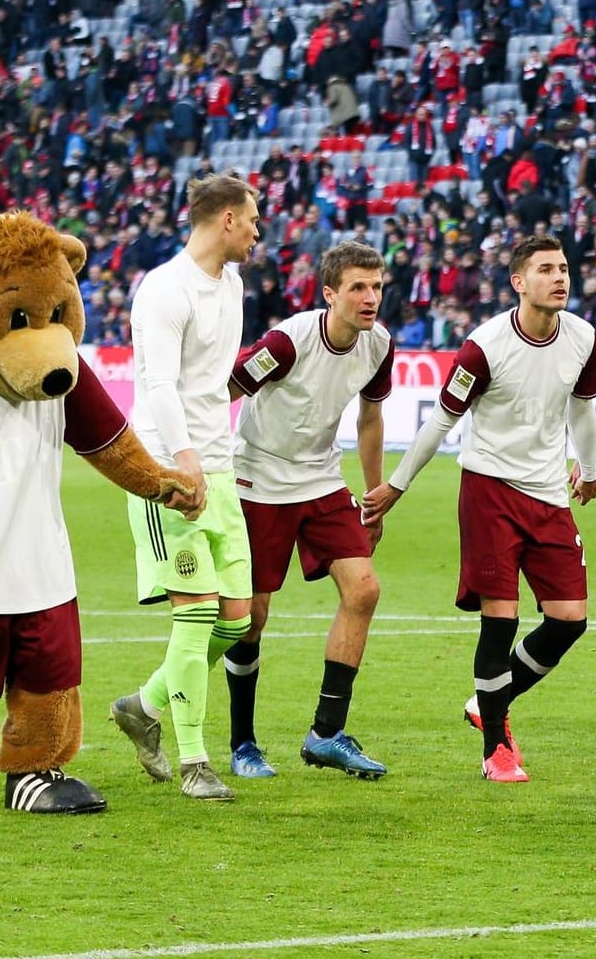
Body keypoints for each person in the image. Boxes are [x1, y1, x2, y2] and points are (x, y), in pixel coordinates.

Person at [363, 236, 596, 783]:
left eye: (563, 268)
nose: (560, 277)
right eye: (546, 269)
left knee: (570, 620)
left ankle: (486, 703)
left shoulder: (584, 337)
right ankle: (496, 748)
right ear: (519, 282)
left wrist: (588, 467)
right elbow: (441, 422)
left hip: (547, 493)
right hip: (489, 489)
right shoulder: (484, 346)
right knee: (502, 619)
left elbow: (582, 409)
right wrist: (396, 487)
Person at [109, 174, 259, 802]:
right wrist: (185, 459)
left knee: (236, 622)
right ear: (225, 219)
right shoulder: (164, 290)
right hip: (167, 471)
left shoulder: (233, 283)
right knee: (195, 616)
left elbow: (209, 380)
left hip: (218, 469)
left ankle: (143, 706)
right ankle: (195, 761)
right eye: (252, 219)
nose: (257, 230)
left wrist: (216, 456)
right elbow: (160, 384)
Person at [221, 243, 394, 781]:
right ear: (330, 294)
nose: (371, 298)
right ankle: (242, 744)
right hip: (259, 479)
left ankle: (326, 734)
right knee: (252, 616)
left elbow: (369, 420)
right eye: (359, 288)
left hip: (320, 478)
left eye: (378, 286)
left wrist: (374, 494)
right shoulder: (289, 341)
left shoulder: (379, 344)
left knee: (363, 589)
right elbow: (224, 390)